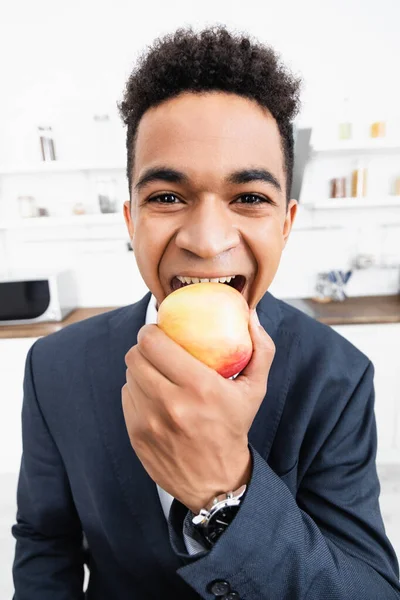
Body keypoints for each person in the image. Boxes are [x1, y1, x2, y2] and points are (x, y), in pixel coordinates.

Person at [11, 25, 400, 600]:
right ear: (131, 221)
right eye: (167, 197)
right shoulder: (55, 365)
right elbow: (45, 544)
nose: (207, 240)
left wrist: (228, 493)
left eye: (249, 198)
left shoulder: (337, 376)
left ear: (286, 224)